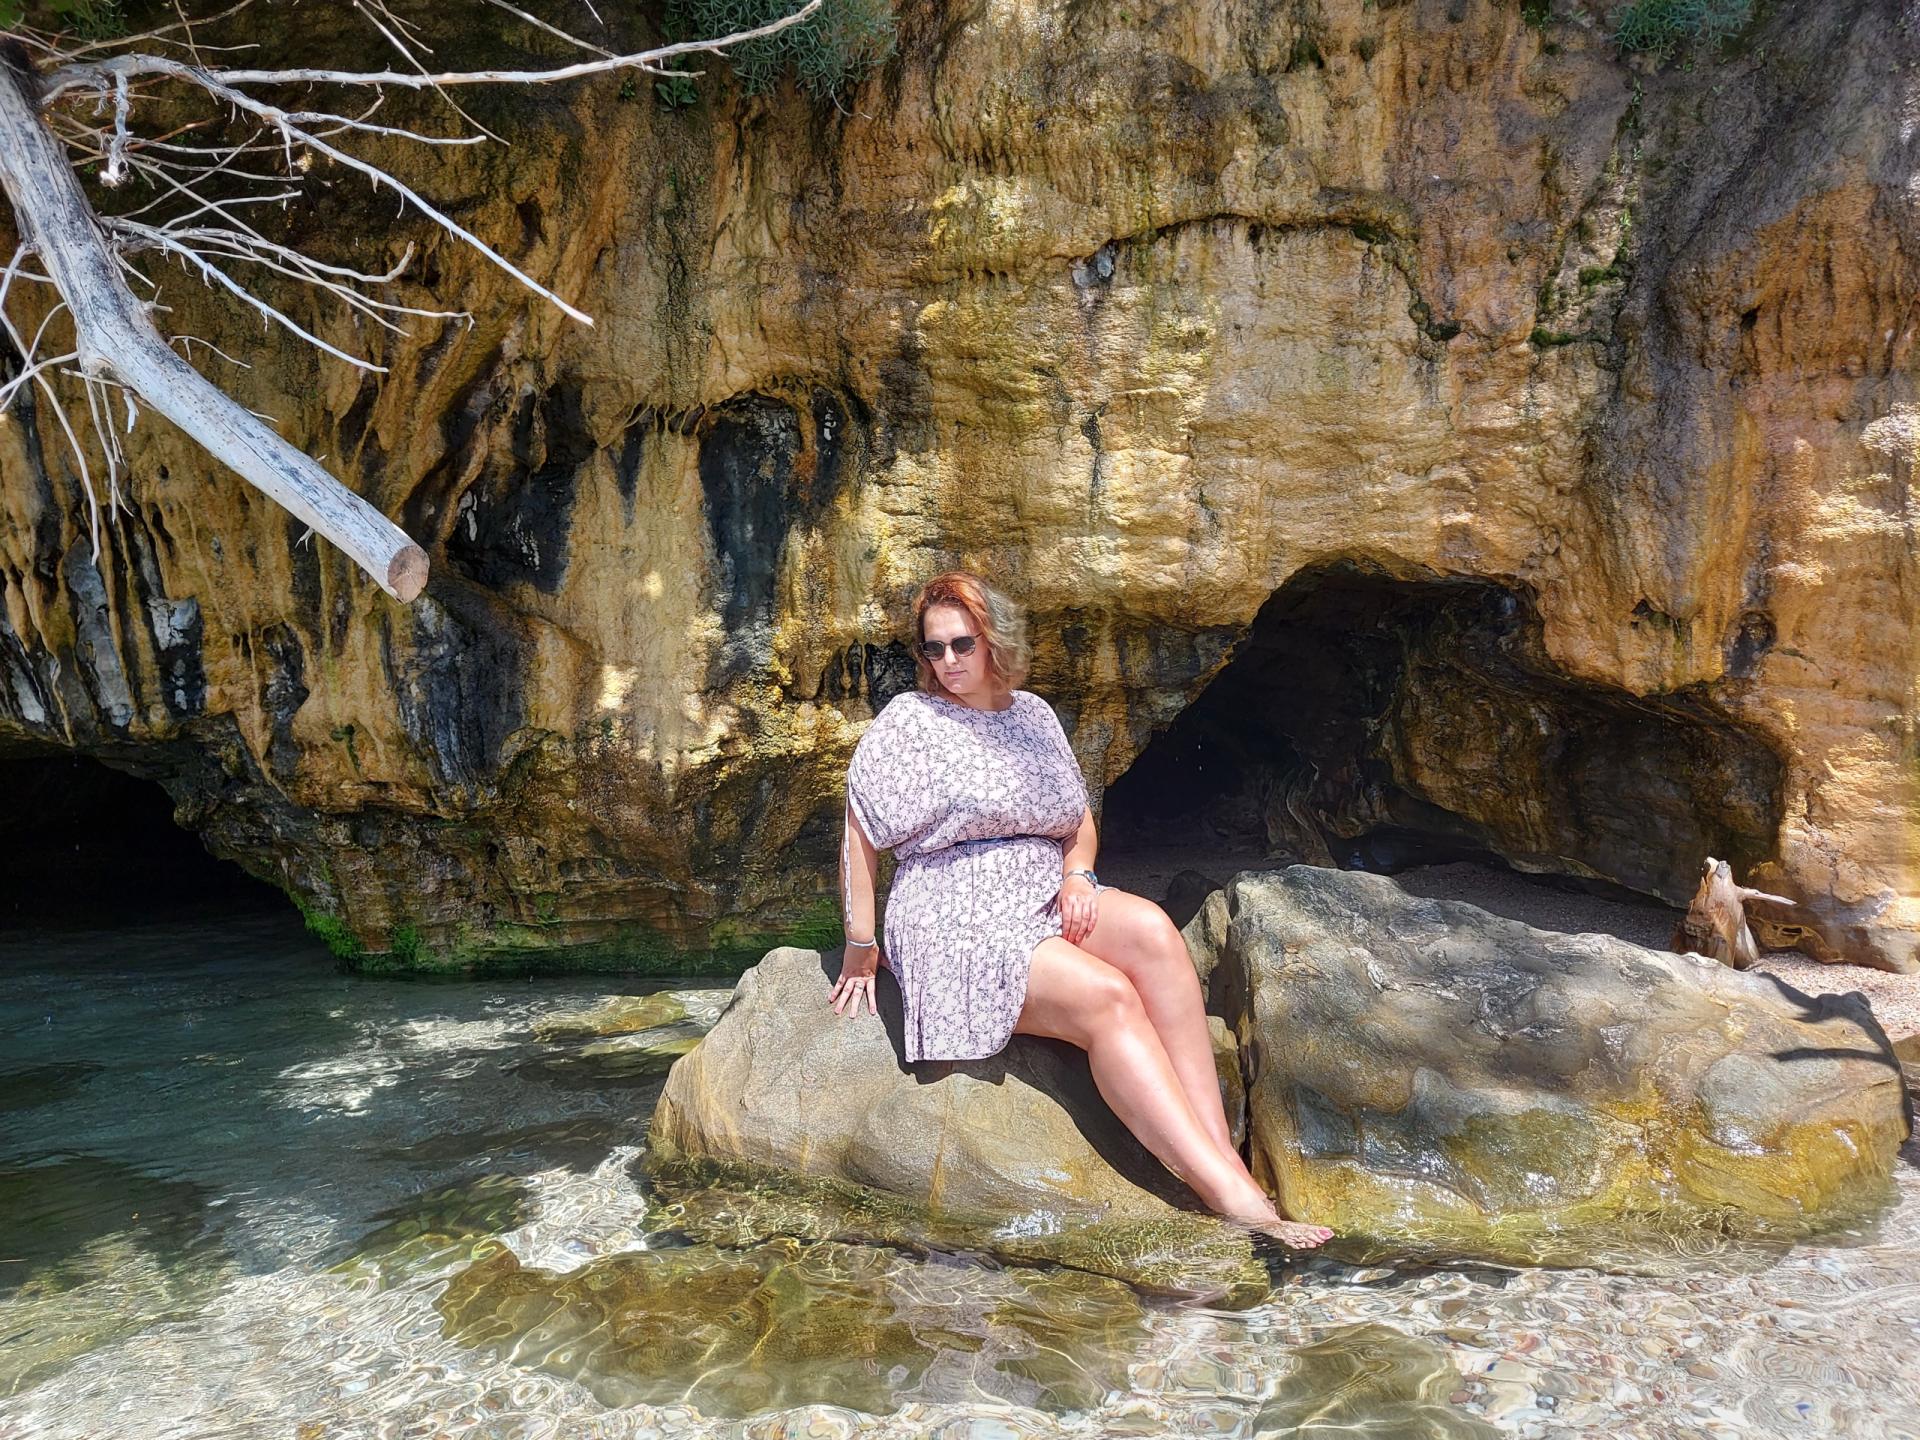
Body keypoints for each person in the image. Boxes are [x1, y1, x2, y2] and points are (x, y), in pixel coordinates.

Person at [832, 570, 1332, 1249]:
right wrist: (861, 943)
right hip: (954, 913)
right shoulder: (911, 721)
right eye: (933, 648)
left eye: (962, 644)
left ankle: (1216, 1151)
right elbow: (859, 831)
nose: (947, 660)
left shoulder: (1033, 716)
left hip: (1042, 894)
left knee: (1155, 932)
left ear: (994, 640)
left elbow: (1077, 819)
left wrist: (1078, 875)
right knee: (1108, 997)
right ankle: (1234, 1198)